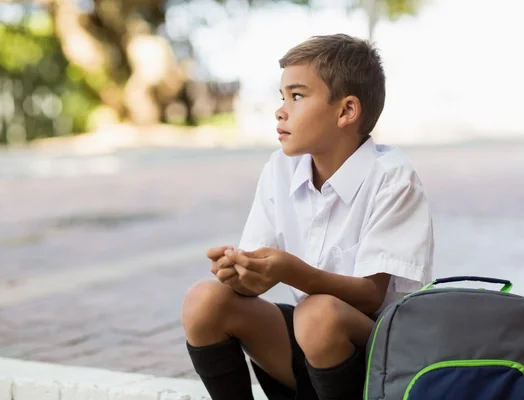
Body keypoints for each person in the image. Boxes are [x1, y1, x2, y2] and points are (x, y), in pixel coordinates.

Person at [181, 33, 434, 400]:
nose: (280, 110)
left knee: (318, 314)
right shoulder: (280, 169)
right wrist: (240, 273)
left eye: (297, 96)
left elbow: (369, 296)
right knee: (204, 300)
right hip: (308, 346)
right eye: (282, 97)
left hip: (379, 362)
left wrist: (289, 270)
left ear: (346, 111)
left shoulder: (392, 177)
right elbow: (259, 273)